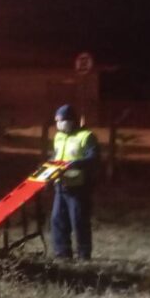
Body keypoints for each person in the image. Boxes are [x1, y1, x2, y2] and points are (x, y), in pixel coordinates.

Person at [49, 104, 99, 259]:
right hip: (60, 185)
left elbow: (93, 158)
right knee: (57, 219)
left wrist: (74, 164)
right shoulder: (58, 137)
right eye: (57, 121)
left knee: (79, 221)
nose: (58, 124)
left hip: (79, 187)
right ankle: (62, 252)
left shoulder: (86, 136)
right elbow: (56, 156)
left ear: (71, 120)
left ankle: (83, 254)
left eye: (61, 120)